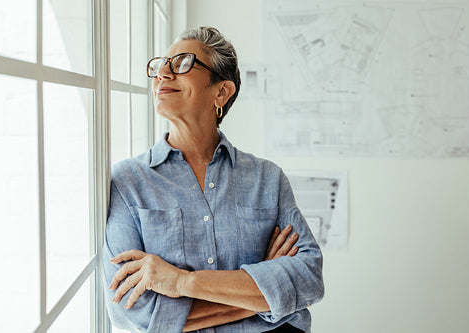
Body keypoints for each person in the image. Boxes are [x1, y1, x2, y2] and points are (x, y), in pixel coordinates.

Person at [103, 26, 324, 333]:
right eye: (159, 66)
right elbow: (133, 311)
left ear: (221, 91)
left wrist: (182, 282)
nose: (163, 74)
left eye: (181, 63)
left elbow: (308, 279)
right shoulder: (128, 182)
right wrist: (267, 294)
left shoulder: (268, 179)